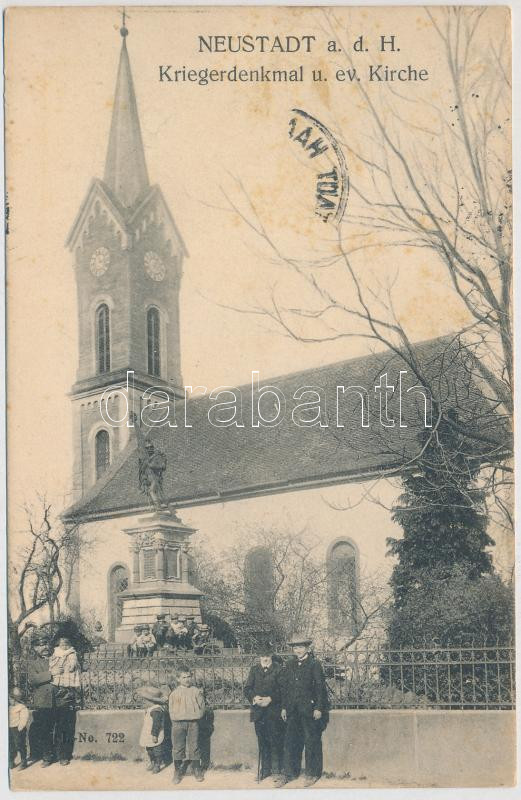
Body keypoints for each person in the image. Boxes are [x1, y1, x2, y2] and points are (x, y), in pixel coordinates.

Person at [275, 633, 329, 788]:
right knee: (290, 741)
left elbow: (320, 688)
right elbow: (286, 688)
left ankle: (312, 774)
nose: (298, 650)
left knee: (311, 741)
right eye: (295, 647)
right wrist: (284, 707)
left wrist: (318, 707)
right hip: (292, 710)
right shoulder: (290, 664)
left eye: (300, 647)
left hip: (309, 710)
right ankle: (289, 773)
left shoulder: (314, 664)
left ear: (307, 648)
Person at [27, 629, 77, 767]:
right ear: (34, 648)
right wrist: (51, 673)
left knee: (63, 729)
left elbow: (72, 670)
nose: (43, 647)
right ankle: (47, 756)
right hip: (43, 701)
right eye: (39, 645)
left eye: (45, 643)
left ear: (50, 644)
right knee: (45, 730)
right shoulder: (33, 663)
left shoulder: (59, 656)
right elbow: (33, 679)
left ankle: (63, 756)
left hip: (62, 698)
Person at [244, 644, 285, 782]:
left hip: (273, 712)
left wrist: (270, 699)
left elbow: (283, 690)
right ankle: (265, 770)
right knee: (262, 741)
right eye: (262, 656)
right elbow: (247, 689)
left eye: (267, 655)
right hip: (258, 713)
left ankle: (277, 770)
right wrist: (254, 698)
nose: (265, 658)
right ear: (259, 656)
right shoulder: (254, 670)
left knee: (275, 740)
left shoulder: (279, 670)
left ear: (271, 655)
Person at [168, 669, 205, 784]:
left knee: (194, 746)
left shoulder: (196, 691)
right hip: (178, 723)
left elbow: (202, 707)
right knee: (178, 747)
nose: (187, 679)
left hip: (193, 723)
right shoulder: (174, 693)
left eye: (188, 676)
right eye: (183, 677)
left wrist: (196, 716)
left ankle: (196, 769)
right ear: (178, 679)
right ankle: (177, 771)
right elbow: (171, 710)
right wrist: (176, 718)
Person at [136, 686, 170, 774]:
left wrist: (154, 735)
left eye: (144, 700)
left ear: (151, 701)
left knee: (157, 750)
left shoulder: (156, 711)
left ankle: (157, 764)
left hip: (155, 734)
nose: (143, 702)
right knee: (149, 749)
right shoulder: (150, 709)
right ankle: (153, 762)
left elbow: (156, 724)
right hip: (148, 733)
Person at [8, 687, 29, 770]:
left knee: (20, 745)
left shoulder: (22, 707)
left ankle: (24, 761)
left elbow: (24, 718)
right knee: (11, 745)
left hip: (18, 729)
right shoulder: (9, 707)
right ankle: (11, 760)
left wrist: (21, 727)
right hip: (10, 728)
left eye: (11, 699)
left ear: (15, 699)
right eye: (9, 699)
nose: (10, 701)